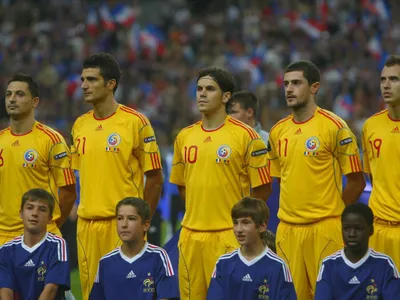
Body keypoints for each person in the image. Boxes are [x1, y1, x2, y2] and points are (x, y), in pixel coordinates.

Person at [170, 67, 272, 300]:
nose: (202, 94)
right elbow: (182, 186)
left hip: (230, 235)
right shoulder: (184, 137)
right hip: (191, 237)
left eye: (210, 89)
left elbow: (263, 188)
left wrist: (243, 223)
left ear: (226, 97)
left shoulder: (247, 137)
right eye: (199, 89)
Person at [267, 60, 366, 299]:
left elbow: (356, 180)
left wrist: (334, 214)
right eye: (286, 84)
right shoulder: (277, 131)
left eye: (297, 83)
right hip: (288, 231)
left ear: (314, 87)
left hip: (325, 229)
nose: (289, 89)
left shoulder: (335, 127)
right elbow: (282, 180)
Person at [71, 52, 163, 299]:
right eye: (82, 79)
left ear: (111, 84)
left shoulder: (135, 122)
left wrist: (142, 222)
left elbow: (155, 178)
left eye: (91, 79)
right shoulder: (79, 125)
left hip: (121, 225)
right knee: (92, 293)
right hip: (87, 227)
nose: (83, 86)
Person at [0, 74, 76, 245]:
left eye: (20, 94)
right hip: (2, 238)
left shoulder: (51, 140)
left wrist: (48, 225)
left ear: (35, 102)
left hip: (40, 236)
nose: (12, 99)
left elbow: (69, 192)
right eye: (8, 94)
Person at [89, 197, 179, 300]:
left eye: (131, 218)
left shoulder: (159, 257)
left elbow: (167, 296)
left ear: (146, 225)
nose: (124, 224)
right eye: (120, 218)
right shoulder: (105, 262)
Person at [207, 197, 296, 300]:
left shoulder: (278, 267)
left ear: (262, 226)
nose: (239, 229)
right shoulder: (223, 264)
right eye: (235, 223)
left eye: (245, 223)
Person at [362, 55, 400, 269]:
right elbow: (372, 177)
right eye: (383, 79)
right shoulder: (371, 126)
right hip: (378, 229)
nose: (386, 85)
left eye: (394, 79)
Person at [315, 203, 400, 299]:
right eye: (346, 229)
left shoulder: (385, 264)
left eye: (358, 229)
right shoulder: (329, 265)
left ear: (371, 230)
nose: (351, 234)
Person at [0, 188, 70, 300]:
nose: (34, 214)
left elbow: (51, 290)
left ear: (50, 218)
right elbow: (5, 292)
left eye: (42, 210)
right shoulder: (5, 250)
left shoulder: (57, 245)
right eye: (30, 208)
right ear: (21, 214)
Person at [228, 90, 276, 251]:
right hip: (232, 213)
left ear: (249, 112)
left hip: (267, 211)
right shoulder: (225, 142)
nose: (228, 117)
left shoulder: (269, 141)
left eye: (233, 112)